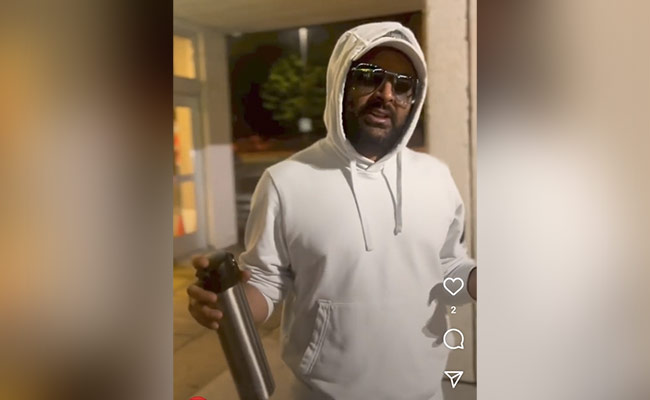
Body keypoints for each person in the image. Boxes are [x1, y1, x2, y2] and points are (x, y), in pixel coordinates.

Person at [187, 22, 477, 400]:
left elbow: (449, 267)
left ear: (414, 99)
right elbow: (266, 283)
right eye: (369, 76)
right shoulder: (286, 182)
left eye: (403, 85)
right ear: (341, 82)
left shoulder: (436, 177)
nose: (386, 94)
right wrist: (226, 307)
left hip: (424, 392)